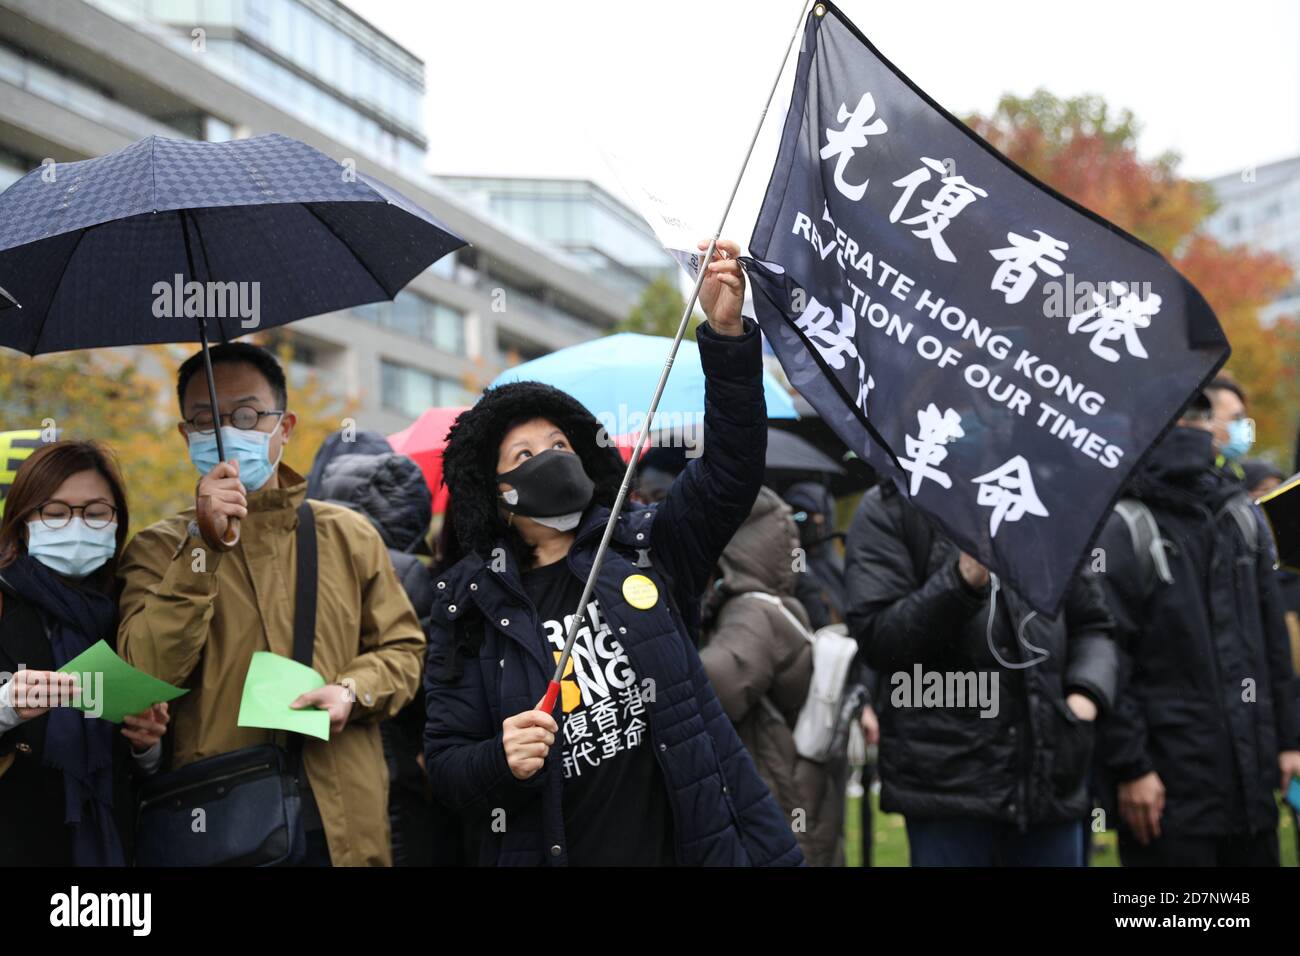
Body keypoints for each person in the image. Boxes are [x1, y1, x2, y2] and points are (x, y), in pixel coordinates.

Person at [424, 239, 803, 866]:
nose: (552, 458)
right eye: (525, 457)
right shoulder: (467, 608)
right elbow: (446, 767)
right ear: (500, 497)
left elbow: (731, 471)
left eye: (560, 443)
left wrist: (728, 335)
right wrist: (499, 757)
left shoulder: (645, 545)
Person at [118, 342, 426, 866]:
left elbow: (403, 649)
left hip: (344, 820)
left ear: (284, 427)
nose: (226, 431)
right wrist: (203, 549)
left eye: (246, 415)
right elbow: (142, 676)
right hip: (222, 820)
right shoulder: (155, 549)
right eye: (204, 419)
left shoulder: (347, 536)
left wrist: (354, 691)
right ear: (184, 435)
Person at [844, 480, 1117, 866]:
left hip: (1051, 780)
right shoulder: (892, 507)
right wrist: (960, 582)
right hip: (950, 792)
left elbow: (1093, 624)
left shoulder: (1046, 500)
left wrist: (1085, 698)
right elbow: (879, 638)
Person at [1095, 392, 1300, 866]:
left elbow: (1272, 647)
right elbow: (1109, 654)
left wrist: (1289, 742)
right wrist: (1132, 767)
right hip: (1166, 791)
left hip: (1249, 783)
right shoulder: (1128, 523)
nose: (1213, 429)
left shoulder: (1241, 516)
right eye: (1201, 417)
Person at [0, 440, 168, 865]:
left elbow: (139, 776)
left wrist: (146, 747)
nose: (76, 527)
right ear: (23, 524)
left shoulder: (128, 612)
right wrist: (7, 706)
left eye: (95, 513)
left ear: (117, 524)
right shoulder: (4, 603)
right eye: (55, 514)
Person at [308, 432, 460, 866]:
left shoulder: (301, 558)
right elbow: (435, 683)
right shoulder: (418, 572)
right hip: (407, 777)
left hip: (324, 770)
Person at [700, 486, 839, 865]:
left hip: (779, 789)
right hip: (801, 784)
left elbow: (719, 686)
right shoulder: (781, 604)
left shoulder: (750, 613)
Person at [782, 481, 846, 630]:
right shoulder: (791, 563)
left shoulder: (838, 565)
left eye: (804, 514)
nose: (798, 521)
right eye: (793, 515)